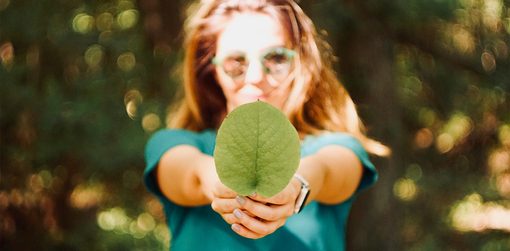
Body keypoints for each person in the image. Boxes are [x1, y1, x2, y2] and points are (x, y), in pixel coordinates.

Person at [143, 0, 390, 250]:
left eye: (276, 58)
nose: (255, 76)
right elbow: (191, 174)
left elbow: (326, 170)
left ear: (299, 63)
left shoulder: (337, 146)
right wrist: (221, 184)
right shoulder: (172, 144)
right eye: (236, 61)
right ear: (212, 70)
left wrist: (295, 188)